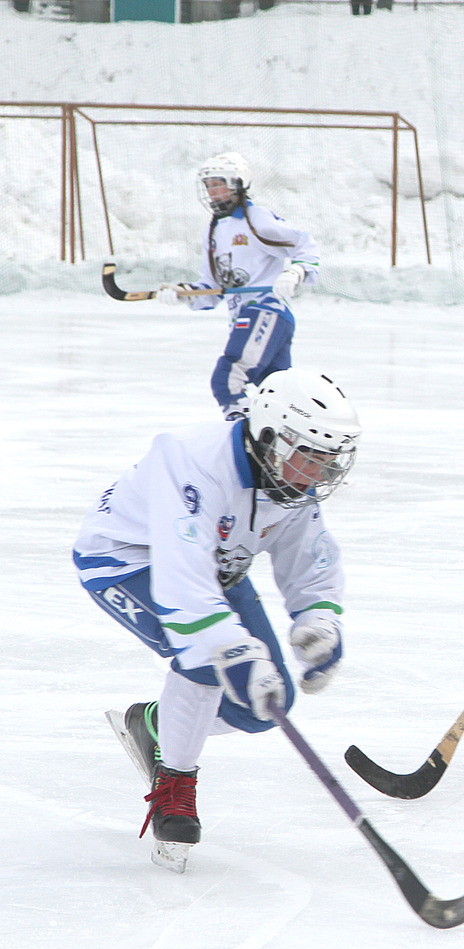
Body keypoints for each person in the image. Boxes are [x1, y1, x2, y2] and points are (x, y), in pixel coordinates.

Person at [73, 370, 361, 872]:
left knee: (265, 707)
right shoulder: (191, 462)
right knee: (208, 665)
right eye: (310, 456)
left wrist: (318, 620)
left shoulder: (288, 476)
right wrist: (233, 650)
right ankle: (175, 786)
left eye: (328, 459)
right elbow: (183, 583)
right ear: (272, 437)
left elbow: (307, 559)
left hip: (215, 569)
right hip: (126, 560)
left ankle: (156, 724)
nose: (320, 472)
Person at [156, 152, 320, 420]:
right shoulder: (214, 231)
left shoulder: (257, 220)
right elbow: (211, 288)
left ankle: (240, 434)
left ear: (237, 183)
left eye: (218, 183)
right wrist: (184, 293)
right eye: (208, 185)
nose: (212, 192)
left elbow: (305, 243)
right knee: (278, 395)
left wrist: (297, 271)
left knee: (228, 379)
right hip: (248, 317)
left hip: (266, 310)